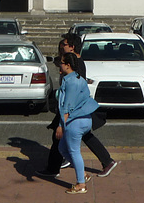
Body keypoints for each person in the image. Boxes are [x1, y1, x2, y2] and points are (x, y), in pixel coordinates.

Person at [37, 34, 118, 179]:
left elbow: (73, 91)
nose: (62, 46)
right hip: (74, 109)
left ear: (72, 46)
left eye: (65, 44)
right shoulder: (74, 61)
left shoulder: (76, 64)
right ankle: (106, 161)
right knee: (83, 136)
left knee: (60, 136)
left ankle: (59, 169)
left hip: (73, 109)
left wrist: (64, 116)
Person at [56, 52, 99, 194]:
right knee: (62, 148)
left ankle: (81, 184)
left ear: (68, 65)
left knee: (74, 152)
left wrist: (61, 125)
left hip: (75, 122)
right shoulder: (77, 78)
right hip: (84, 119)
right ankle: (83, 174)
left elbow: (67, 106)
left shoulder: (71, 82)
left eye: (61, 63)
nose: (59, 65)